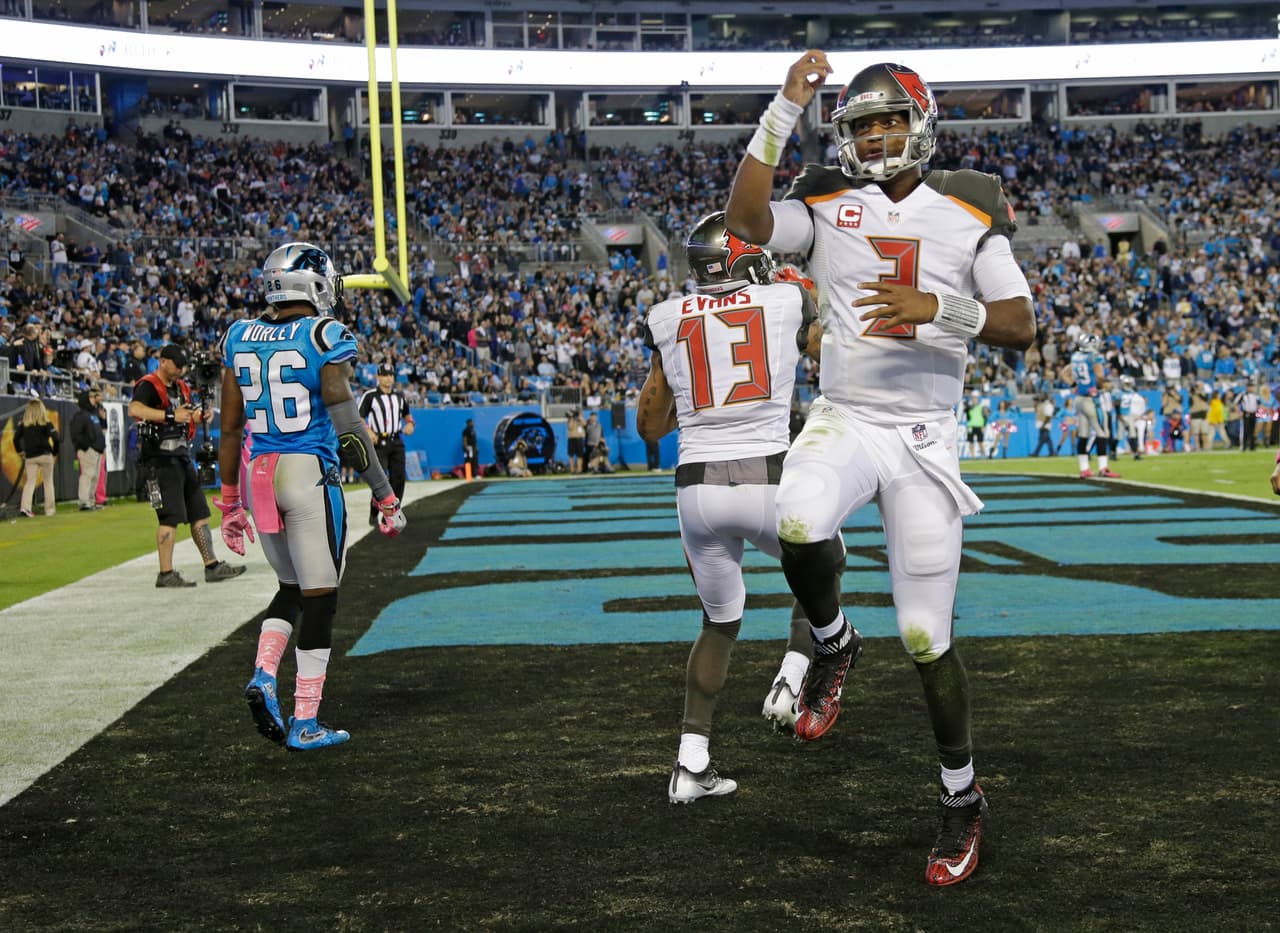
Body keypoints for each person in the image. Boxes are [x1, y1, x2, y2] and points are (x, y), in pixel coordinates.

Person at [725, 53, 1037, 885]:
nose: (879, 134)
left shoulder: (971, 201)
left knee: (928, 635)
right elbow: (747, 219)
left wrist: (940, 307)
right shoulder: (826, 196)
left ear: (922, 121)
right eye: (863, 124)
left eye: (891, 119)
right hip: (849, 417)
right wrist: (783, 110)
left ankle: (961, 798)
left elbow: (1019, 323)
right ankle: (832, 641)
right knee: (796, 515)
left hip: (928, 437)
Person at [638, 211, 822, 804]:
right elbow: (827, 351)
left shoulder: (668, 318)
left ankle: (691, 765)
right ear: (745, 259)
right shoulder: (788, 299)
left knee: (719, 622)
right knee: (825, 565)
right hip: (766, 476)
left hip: (696, 490)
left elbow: (649, 425)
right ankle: (793, 678)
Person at [216, 242, 407, 752]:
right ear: (315, 283)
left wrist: (230, 501)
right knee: (322, 599)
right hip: (306, 471)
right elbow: (346, 424)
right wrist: (385, 495)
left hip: (258, 474)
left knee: (291, 588)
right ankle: (305, 720)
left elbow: (229, 428)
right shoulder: (324, 334)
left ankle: (263, 673)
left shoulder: (239, 335)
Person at [129, 343, 247, 588]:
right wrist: (170, 416)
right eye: (177, 365)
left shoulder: (181, 387)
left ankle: (211, 566)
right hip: (159, 459)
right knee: (169, 516)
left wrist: (199, 415)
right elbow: (135, 409)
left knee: (199, 512)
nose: (181, 370)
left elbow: (188, 413)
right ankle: (165, 573)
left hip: (181, 456)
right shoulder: (148, 385)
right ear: (163, 361)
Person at [360, 363, 415, 525]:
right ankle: (374, 511)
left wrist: (410, 424)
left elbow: (407, 415)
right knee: (381, 480)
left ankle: (389, 516)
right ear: (378, 377)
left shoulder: (399, 396)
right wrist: (368, 431)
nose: (388, 378)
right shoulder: (370, 396)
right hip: (379, 442)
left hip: (396, 440)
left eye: (390, 375)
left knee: (398, 479)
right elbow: (360, 417)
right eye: (384, 375)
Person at [1063, 334, 1119, 478]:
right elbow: (1099, 377)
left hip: (1079, 399)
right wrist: (1106, 385)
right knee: (1102, 432)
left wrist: (1075, 385)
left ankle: (1084, 469)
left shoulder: (1075, 356)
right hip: (1091, 400)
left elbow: (1064, 374)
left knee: (1083, 434)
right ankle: (1103, 467)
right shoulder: (1094, 357)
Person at [17, 397, 59, 518]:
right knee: (48, 482)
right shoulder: (47, 423)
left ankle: (25, 508)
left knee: (30, 482)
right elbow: (56, 439)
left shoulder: (23, 424)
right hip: (46, 455)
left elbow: (15, 439)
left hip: (30, 457)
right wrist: (55, 452)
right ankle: (50, 511)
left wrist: (20, 451)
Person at [70, 387, 107, 511]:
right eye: (91, 397)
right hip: (88, 450)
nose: (93, 399)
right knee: (87, 475)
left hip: (97, 450)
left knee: (95, 477)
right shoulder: (80, 416)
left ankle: (91, 501)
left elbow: (101, 431)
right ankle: (84, 502)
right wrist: (87, 446)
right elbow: (76, 434)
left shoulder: (94, 414)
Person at [1118, 375, 1147, 459]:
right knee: (1119, 435)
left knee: (1133, 433)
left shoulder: (1138, 398)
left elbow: (1142, 411)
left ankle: (1137, 451)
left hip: (1132, 417)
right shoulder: (1120, 394)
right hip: (1124, 416)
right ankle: (1115, 450)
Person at [566, 409, 586, 473]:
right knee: (571, 455)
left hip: (579, 439)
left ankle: (579, 469)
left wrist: (579, 416)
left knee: (580, 455)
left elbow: (585, 424)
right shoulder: (570, 420)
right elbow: (570, 427)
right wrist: (572, 417)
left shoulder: (580, 420)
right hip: (572, 439)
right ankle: (572, 470)